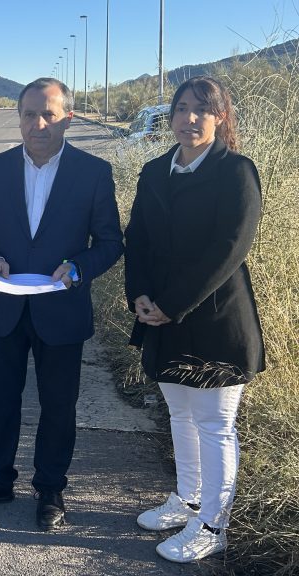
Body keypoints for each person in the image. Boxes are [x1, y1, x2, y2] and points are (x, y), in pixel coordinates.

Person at [0, 77, 123, 530]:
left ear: (68, 116)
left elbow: (109, 242)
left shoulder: (93, 173)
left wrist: (78, 268)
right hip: (4, 308)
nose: (39, 124)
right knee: (0, 401)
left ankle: (50, 489)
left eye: (49, 114)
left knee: (58, 405)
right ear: (20, 117)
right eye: (30, 114)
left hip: (61, 310)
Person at [125, 76, 264, 563]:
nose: (188, 119)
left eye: (200, 110)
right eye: (181, 109)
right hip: (159, 315)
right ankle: (187, 500)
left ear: (220, 117)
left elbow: (230, 250)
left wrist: (171, 304)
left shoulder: (236, 172)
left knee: (215, 424)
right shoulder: (154, 170)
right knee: (179, 414)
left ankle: (212, 525)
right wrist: (140, 296)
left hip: (215, 319)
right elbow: (137, 238)